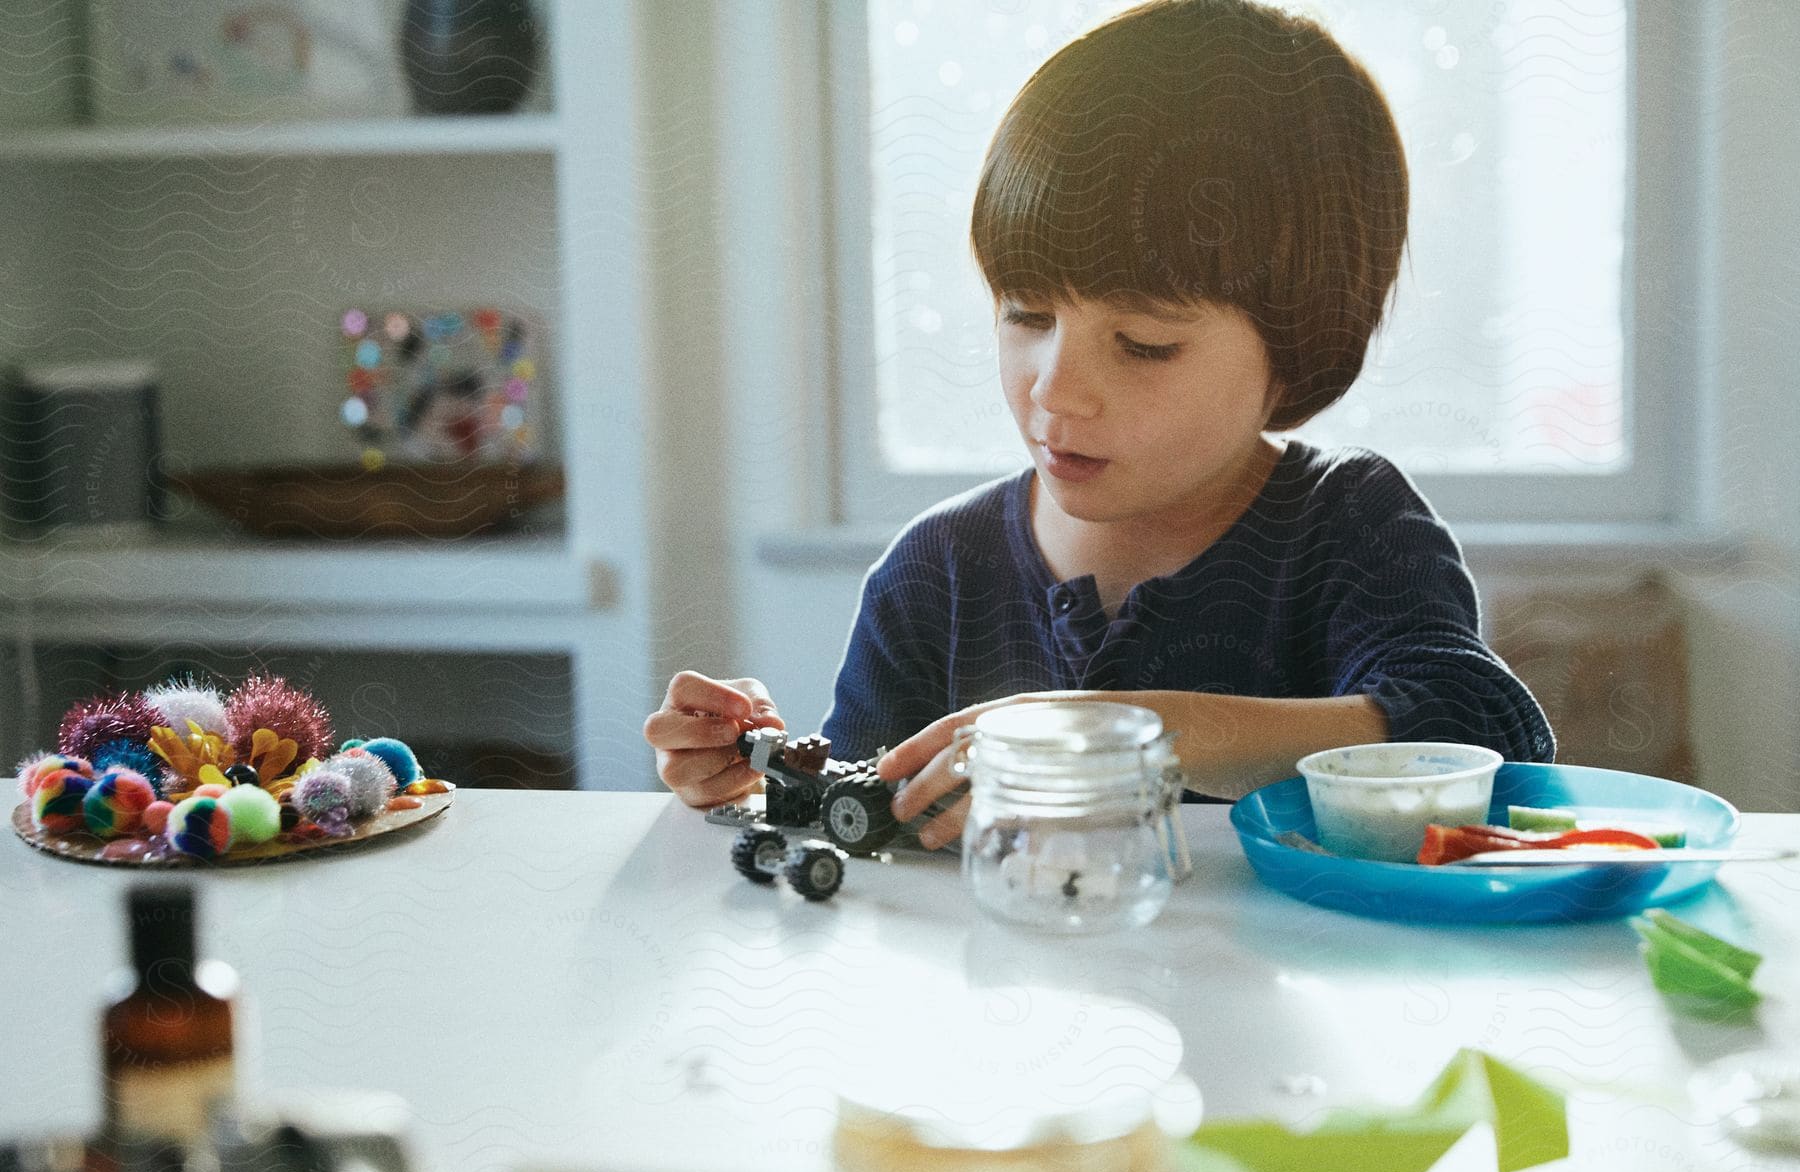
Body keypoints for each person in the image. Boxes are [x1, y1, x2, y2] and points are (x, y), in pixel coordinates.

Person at [644, 0, 1555, 850]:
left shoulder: (1348, 525)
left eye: (1145, 343)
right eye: (1026, 314)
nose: (1056, 392)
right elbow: (871, 813)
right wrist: (757, 782)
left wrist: (1116, 733)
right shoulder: (939, 573)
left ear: (1300, 345)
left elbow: (1487, 737)